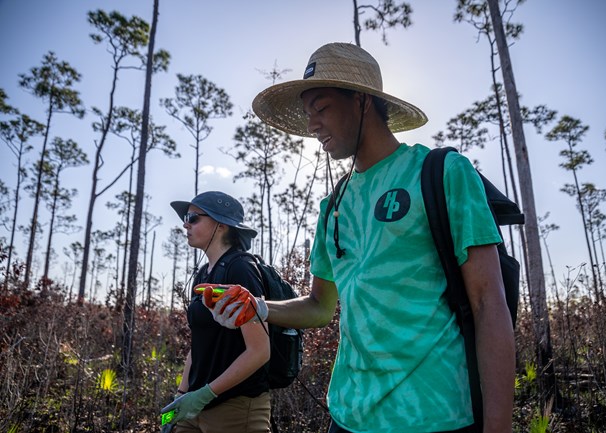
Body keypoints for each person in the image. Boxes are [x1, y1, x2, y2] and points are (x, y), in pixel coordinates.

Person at [211, 43, 515, 433]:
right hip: (347, 414)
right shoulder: (333, 204)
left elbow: (489, 304)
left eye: (321, 109)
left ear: (362, 101)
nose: (312, 125)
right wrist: (258, 306)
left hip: (432, 415)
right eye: (307, 115)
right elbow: (321, 306)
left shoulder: (441, 173)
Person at [160, 191, 271, 433]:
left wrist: (205, 394)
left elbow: (260, 351)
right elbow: (198, 344)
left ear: (221, 225)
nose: (185, 223)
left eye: (193, 217)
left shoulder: (241, 268)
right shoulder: (202, 275)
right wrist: (181, 395)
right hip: (193, 406)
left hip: (235, 408)